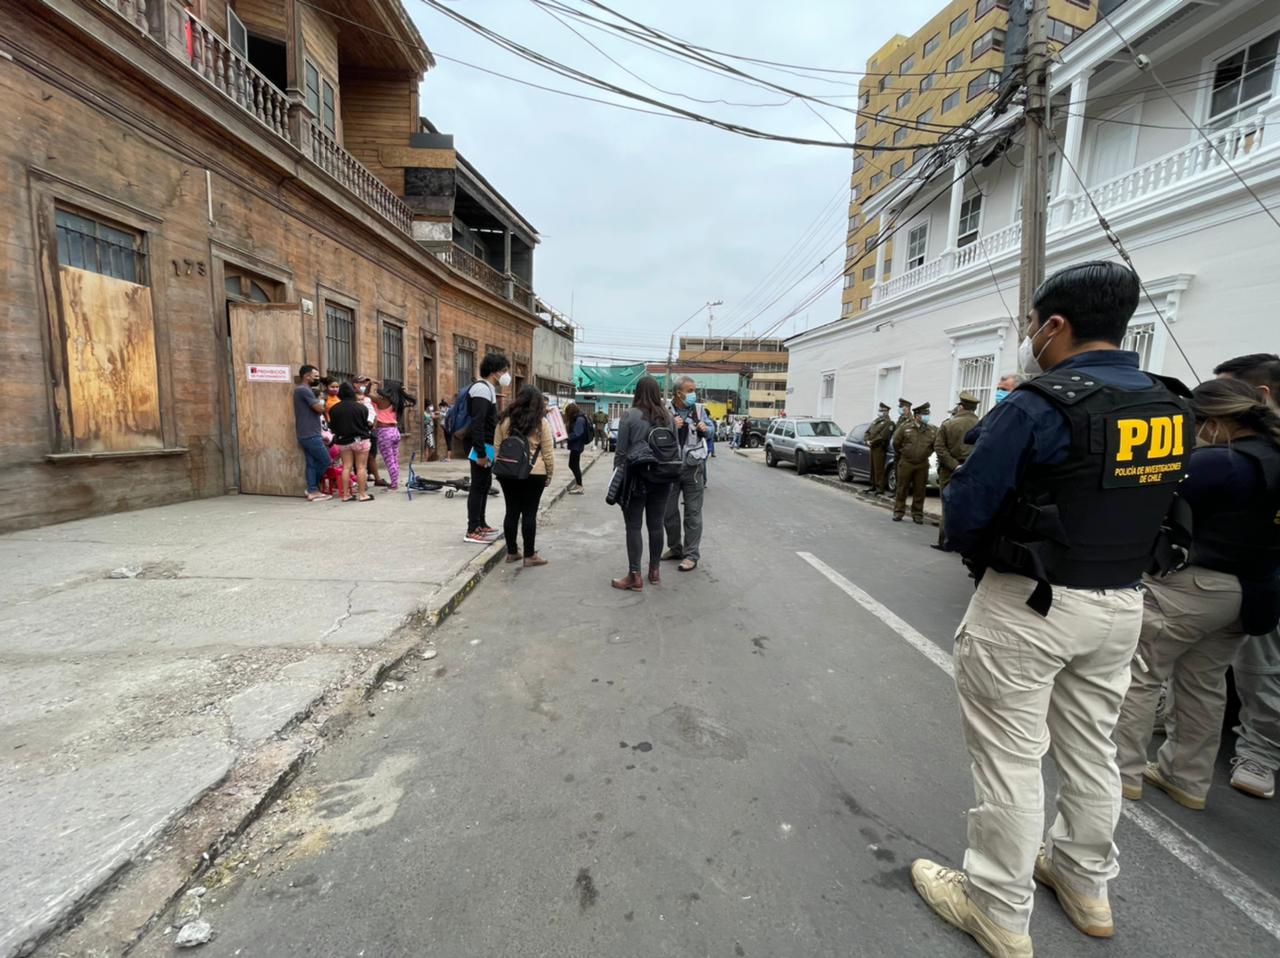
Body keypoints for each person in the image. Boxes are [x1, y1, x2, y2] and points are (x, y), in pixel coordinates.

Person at [911, 261, 1193, 957]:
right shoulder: (1171, 403)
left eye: (1033, 325)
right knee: (1093, 748)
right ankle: (1083, 880)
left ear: (1055, 325)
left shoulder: (1042, 404)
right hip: (1122, 601)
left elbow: (969, 507)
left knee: (1010, 759)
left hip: (1032, 602)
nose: (1031, 336)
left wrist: (989, 565)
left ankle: (997, 909)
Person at [1111, 377, 1280, 812]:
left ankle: (1121, 773)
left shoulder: (1220, 462)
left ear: (1219, 420)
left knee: (1140, 675)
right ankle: (1185, 779)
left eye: (1201, 421)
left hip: (1193, 587)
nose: (1199, 430)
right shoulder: (1271, 458)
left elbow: (1152, 498)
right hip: (1251, 593)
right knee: (1203, 686)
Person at [1215, 353, 1280, 800]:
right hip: (1218, 566)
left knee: (1260, 664)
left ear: (1259, 396)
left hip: (1265, 573)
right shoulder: (1234, 446)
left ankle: (1261, 750)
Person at [612, 376, 674, 591]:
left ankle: (634, 576)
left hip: (635, 478)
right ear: (658, 393)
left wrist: (617, 483)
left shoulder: (629, 416)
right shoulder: (669, 417)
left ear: (637, 392)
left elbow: (620, 453)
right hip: (663, 478)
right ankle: (654, 571)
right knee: (656, 526)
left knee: (634, 526)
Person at [495, 386, 555, 567]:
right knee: (529, 513)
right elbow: (547, 452)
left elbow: (497, 448)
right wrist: (549, 473)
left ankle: (512, 552)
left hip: (508, 472)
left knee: (511, 511)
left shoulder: (504, 421)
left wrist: (502, 467)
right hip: (534, 472)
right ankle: (529, 555)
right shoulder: (541, 423)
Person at [662, 376, 710, 572]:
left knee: (693, 513)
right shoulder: (664, 410)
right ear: (679, 393)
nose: (693, 394)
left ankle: (691, 555)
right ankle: (675, 548)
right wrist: (670, 425)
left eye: (694, 390)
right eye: (690, 390)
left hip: (693, 468)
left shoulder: (699, 410)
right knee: (668, 512)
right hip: (670, 468)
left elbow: (711, 430)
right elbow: (655, 432)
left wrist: (706, 428)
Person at [463, 353, 511, 544]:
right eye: (505, 371)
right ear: (495, 371)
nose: (506, 375)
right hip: (480, 445)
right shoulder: (481, 390)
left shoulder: (489, 389)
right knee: (477, 486)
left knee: (484, 485)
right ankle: (472, 529)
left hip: (487, 444)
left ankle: (481, 523)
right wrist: (481, 453)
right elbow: (478, 423)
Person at [933, 391, 980, 550]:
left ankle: (945, 541)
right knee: (968, 506)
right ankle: (964, 544)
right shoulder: (983, 425)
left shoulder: (948, 424)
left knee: (948, 505)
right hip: (973, 470)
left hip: (950, 469)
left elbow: (939, 448)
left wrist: (954, 465)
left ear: (961, 406)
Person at [327, 381, 375, 502]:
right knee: (361, 467)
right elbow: (366, 424)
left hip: (343, 441)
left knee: (346, 467)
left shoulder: (334, 409)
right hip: (360, 440)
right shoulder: (362, 408)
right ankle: (362, 494)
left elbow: (333, 427)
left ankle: (345, 495)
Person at [891, 402, 936, 525]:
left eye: (928, 414)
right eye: (924, 414)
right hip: (906, 462)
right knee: (902, 488)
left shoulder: (931, 430)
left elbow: (934, 446)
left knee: (920, 490)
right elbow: (896, 443)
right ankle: (899, 512)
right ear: (917, 415)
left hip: (922, 464)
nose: (927, 416)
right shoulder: (905, 427)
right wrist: (904, 453)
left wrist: (925, 454)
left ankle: (917, 514)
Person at [293, 365, 331, 502]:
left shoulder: (304, 390)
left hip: (309, 432)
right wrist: (324, 401)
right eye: (315, 376)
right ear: (306, 376)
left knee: (311, 463)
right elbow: (319, 408)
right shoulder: (304, 390)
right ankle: (312, 487)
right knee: (326, 460)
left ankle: (313, 490)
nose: (317, 378)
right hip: (309, 433)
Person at [373, 382, 415, 492]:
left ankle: (394, 485)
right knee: (394, 460)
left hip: (384, 432)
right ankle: (395, 482)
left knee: (389, 460)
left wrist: (373, 385)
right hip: (395, 431)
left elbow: (367, 394)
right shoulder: (396, 402)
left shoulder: (383, 401)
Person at [863, 402, 895, 498]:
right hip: (872, 447)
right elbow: (867, 431)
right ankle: (873, 485)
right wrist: (867, 440)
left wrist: (872, 441)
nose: (880, 412)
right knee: (873, 467)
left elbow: (883, 436)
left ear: (887, 412)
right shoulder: (876, 421)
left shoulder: (889, 423)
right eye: (880, 410)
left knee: (879, 468)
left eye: (882, 410)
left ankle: (880, 488)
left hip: (880, 448)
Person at [563, 402, 589, 494]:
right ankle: (578, 484)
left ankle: (579, 486)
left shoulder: (579, 419)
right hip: (576, 445)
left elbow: (577, 433)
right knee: (573, 465)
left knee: (574, 465)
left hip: (577, 446)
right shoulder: (578, 418)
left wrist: (566, 437)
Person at [440, 393, 455, 462]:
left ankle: (449, 458)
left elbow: (446, 416)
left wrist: (439, 413)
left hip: (448, 428)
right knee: (448, 442)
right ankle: (448, 457)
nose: (441, 409)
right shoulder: (446, 410)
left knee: (449, 442)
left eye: (441, 407)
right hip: (446, 428)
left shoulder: (449, 411)